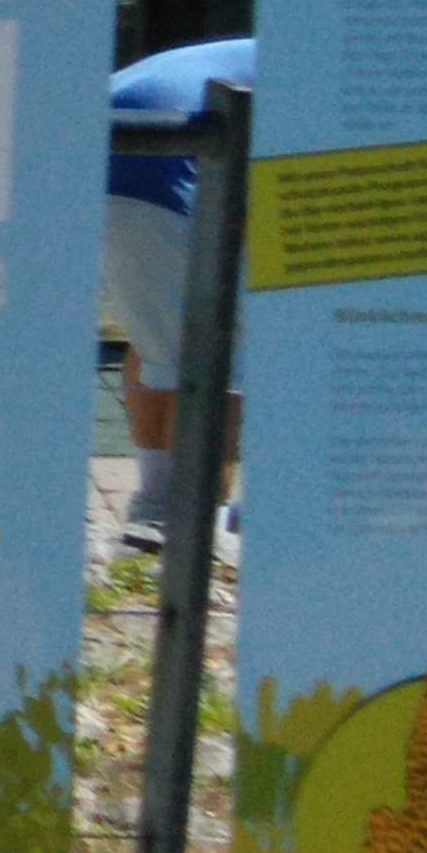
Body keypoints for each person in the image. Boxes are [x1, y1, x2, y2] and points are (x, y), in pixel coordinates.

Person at [107, 35, 255, 550]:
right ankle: (193, 533)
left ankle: (153, 508)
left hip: (102, 156)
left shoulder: (263, 52)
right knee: (220, 359)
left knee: (156, 339)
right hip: (158, 169)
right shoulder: (335, 83)